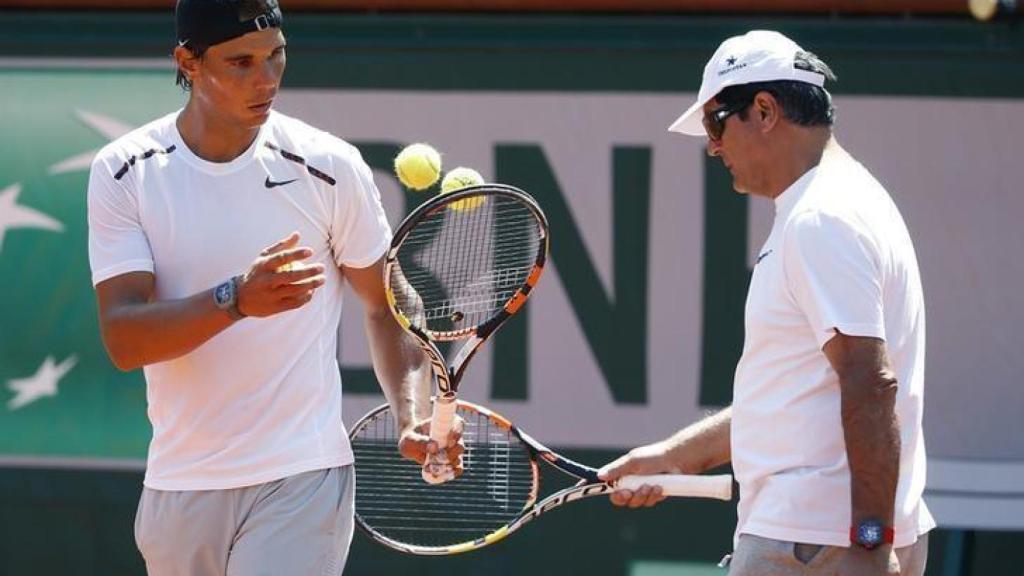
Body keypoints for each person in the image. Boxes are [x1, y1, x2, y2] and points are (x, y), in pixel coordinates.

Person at [86, 1, 461, 574]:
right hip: (180, 483)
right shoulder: (124, 171)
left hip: (301, 477)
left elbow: (389, 306)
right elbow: (124, 338)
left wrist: (412, 414)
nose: (266, 79)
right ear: (187, 62)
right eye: (240, 62)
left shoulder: (329, 166)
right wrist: (235, 301)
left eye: (276, 56)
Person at [598, 30, 934, 575]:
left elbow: (870, 383)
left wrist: (871, 542)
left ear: (764, 110)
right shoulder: (841, 201)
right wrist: (674, 457)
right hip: (824, 539)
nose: (712, 146)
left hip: (817, 544)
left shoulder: (822, 217)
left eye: (715, 124)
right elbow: (796, 395)